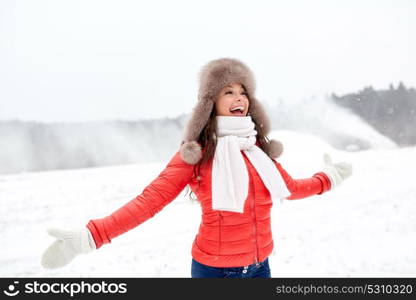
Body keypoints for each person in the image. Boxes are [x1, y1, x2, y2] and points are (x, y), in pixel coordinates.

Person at [41, 58, 352, 278]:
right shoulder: (197, 155)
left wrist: (329, 178)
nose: (238, 97)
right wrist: (91, 236)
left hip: (260, 268)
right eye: (227, 91)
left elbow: (292, 188)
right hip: (215, 272)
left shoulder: (257, 150)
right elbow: (148, 201)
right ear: (210, 102)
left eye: (242, 91)